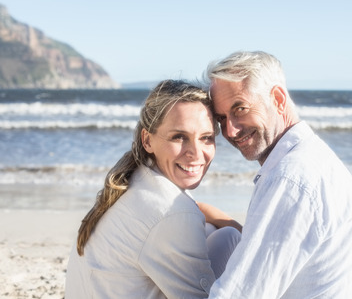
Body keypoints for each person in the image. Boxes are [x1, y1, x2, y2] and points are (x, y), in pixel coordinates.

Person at [203, 51, 352, 298]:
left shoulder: (290, 177)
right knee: (214, 234)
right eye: (221, 118)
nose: (230, 130)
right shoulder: (311, 156)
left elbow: (240, 294)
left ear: (278, 99)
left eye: (240, 108)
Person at [65, 80, 241, 298]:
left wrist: (230, 223)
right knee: (230, 238)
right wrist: (243, 234)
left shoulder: (136, 180)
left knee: (213, 231)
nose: (196, 153)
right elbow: (179, 216)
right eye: (179, 137)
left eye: (206, 138)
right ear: (147, 140)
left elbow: (194, 210)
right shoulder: (172, 213)